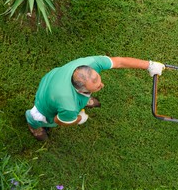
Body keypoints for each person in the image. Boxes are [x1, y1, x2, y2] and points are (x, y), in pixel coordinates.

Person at [25, 56, 165, 141]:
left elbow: (120, 62)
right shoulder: (68, 104)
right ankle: (33, 126)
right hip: (45, 104)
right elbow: (59, 120)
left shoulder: (91, 63)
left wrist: (149, 65)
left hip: (56, 77)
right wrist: (79, 119)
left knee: (79, 101)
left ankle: (85, 101)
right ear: (81, 90)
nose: (102, 85)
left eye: (99, 80)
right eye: (97, 87)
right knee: (40, 118)